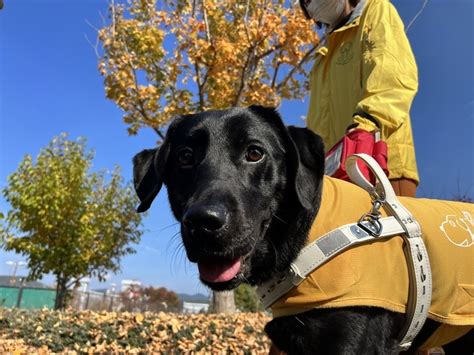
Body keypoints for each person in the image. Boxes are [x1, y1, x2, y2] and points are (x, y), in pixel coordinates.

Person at [300, 0, 420, 197]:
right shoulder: (320, 62)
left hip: (380, 162)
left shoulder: (375, 10)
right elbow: (317, 124)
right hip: (334, 177)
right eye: (305, 1)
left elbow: (393, 75)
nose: (311, 2)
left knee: (392, 225)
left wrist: (366, 125)